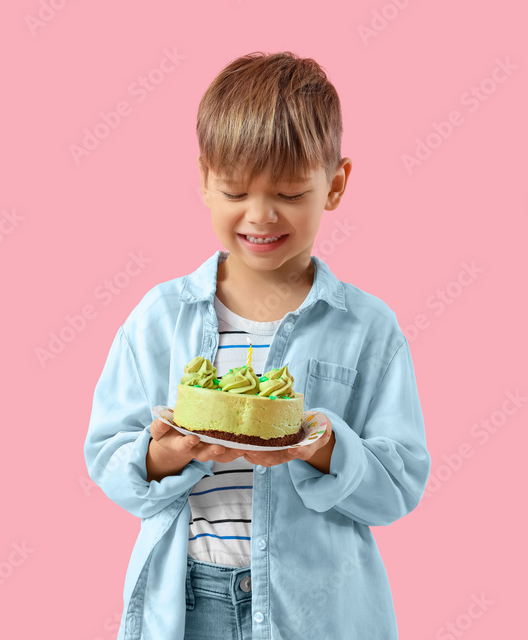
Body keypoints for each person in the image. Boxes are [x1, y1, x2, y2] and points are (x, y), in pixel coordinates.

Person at [83, 51, 431, 640]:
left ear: (336, 185)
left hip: (318, 608)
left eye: (291, 194)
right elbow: (106, 457)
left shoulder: (368, 329)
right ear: (203, 182)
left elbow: (398, 487)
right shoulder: (158, 319)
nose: (260, 215)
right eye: (235, 191)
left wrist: (319, 447)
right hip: (191, 602)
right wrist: (163, 455)